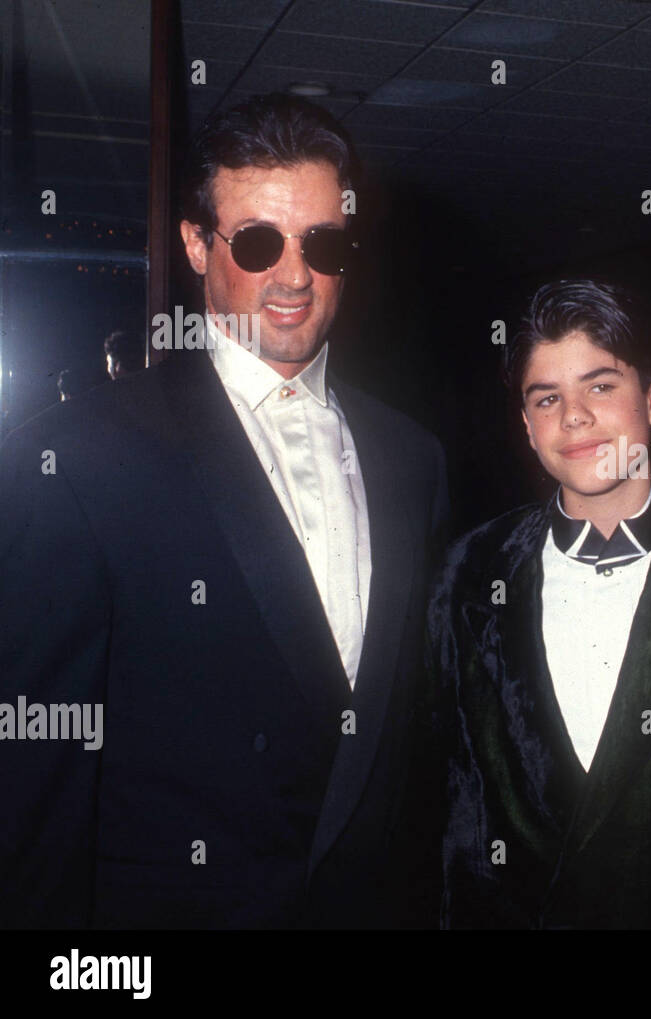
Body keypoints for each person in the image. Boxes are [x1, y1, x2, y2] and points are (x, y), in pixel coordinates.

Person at [0, 93, 448, 928]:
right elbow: (34, 793)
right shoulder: (75, 457)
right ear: (196, 245)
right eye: (256, 241)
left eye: (322, 242)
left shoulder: (412, 460)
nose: (293, 274)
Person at [427, 280, 651, 928]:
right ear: (525, 421)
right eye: (547, 397)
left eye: (600, 385)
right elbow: (449, 800)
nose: (573, 416)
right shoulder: (468, 571)